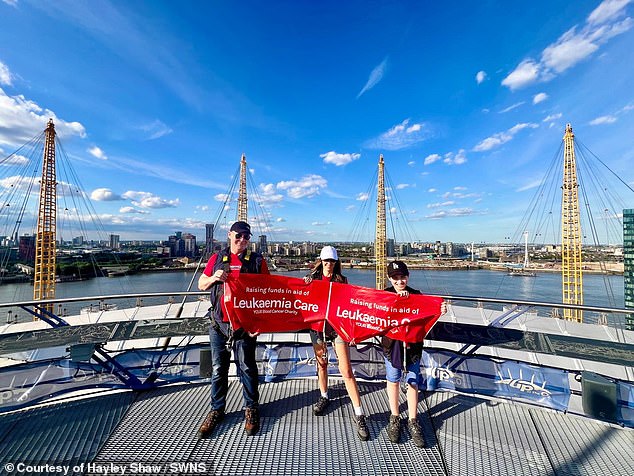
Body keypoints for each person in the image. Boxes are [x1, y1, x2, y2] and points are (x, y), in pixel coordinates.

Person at [197, 221, 269, 438]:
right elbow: (201, 284)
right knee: (219, 370)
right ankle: (217, 410)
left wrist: (260, 323)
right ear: (229, 235)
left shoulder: (256, 261)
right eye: (238, 236)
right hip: (219, 325)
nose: (242, 240)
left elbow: (268, 293)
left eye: (246, 237)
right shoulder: (217, 259)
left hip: (245, 327)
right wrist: (213, 278)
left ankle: (251, 408)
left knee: (247, 368)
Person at [304, 245, 369, 441]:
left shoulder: (342, 281)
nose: (329, 265)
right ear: (321, 262)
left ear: (336, 263)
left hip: (337, 329)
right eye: (326, 261)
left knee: (346, 370)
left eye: (332, 261)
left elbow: (350, 304)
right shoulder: (312, 280)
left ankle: (359, 413)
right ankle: (324, 396)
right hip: (317, 329)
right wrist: (304, 285)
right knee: (321, 364)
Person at [382, 260, 445, 447]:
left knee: (412, 381)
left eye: (402, 277)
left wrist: (439, 309)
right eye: (395, 278)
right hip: (391, 347)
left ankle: (412, 419)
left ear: (407, 277)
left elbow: (427, 312)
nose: (399, 281)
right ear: (389, 278)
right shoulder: (384, 295)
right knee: (392, 379)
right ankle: (394, 416)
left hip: (413, 348)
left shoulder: (417, 295)